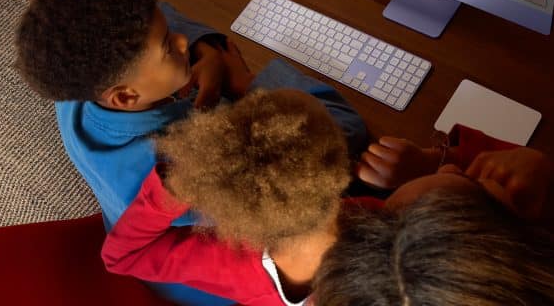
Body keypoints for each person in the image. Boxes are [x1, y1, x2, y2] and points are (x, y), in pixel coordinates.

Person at [14, 0, 368, 306]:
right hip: (202, 282)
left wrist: (207, 52)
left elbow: (162, 13)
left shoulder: (78, 85)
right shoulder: (189, 170)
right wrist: (245, 83)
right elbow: (342, 132)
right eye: (170, 46)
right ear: (124, 96)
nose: (181, 40)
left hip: (143, 239)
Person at [101, 88, 381, 306]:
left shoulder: (226, 262)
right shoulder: (379, 220)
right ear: (344, 167)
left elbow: (120, 257)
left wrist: (176, 188)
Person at [311, 127, 554, 306]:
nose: (455, 165)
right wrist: (551, 186)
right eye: (473, 183)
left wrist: (433, 164)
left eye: (387, 217)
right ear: (529, 246)